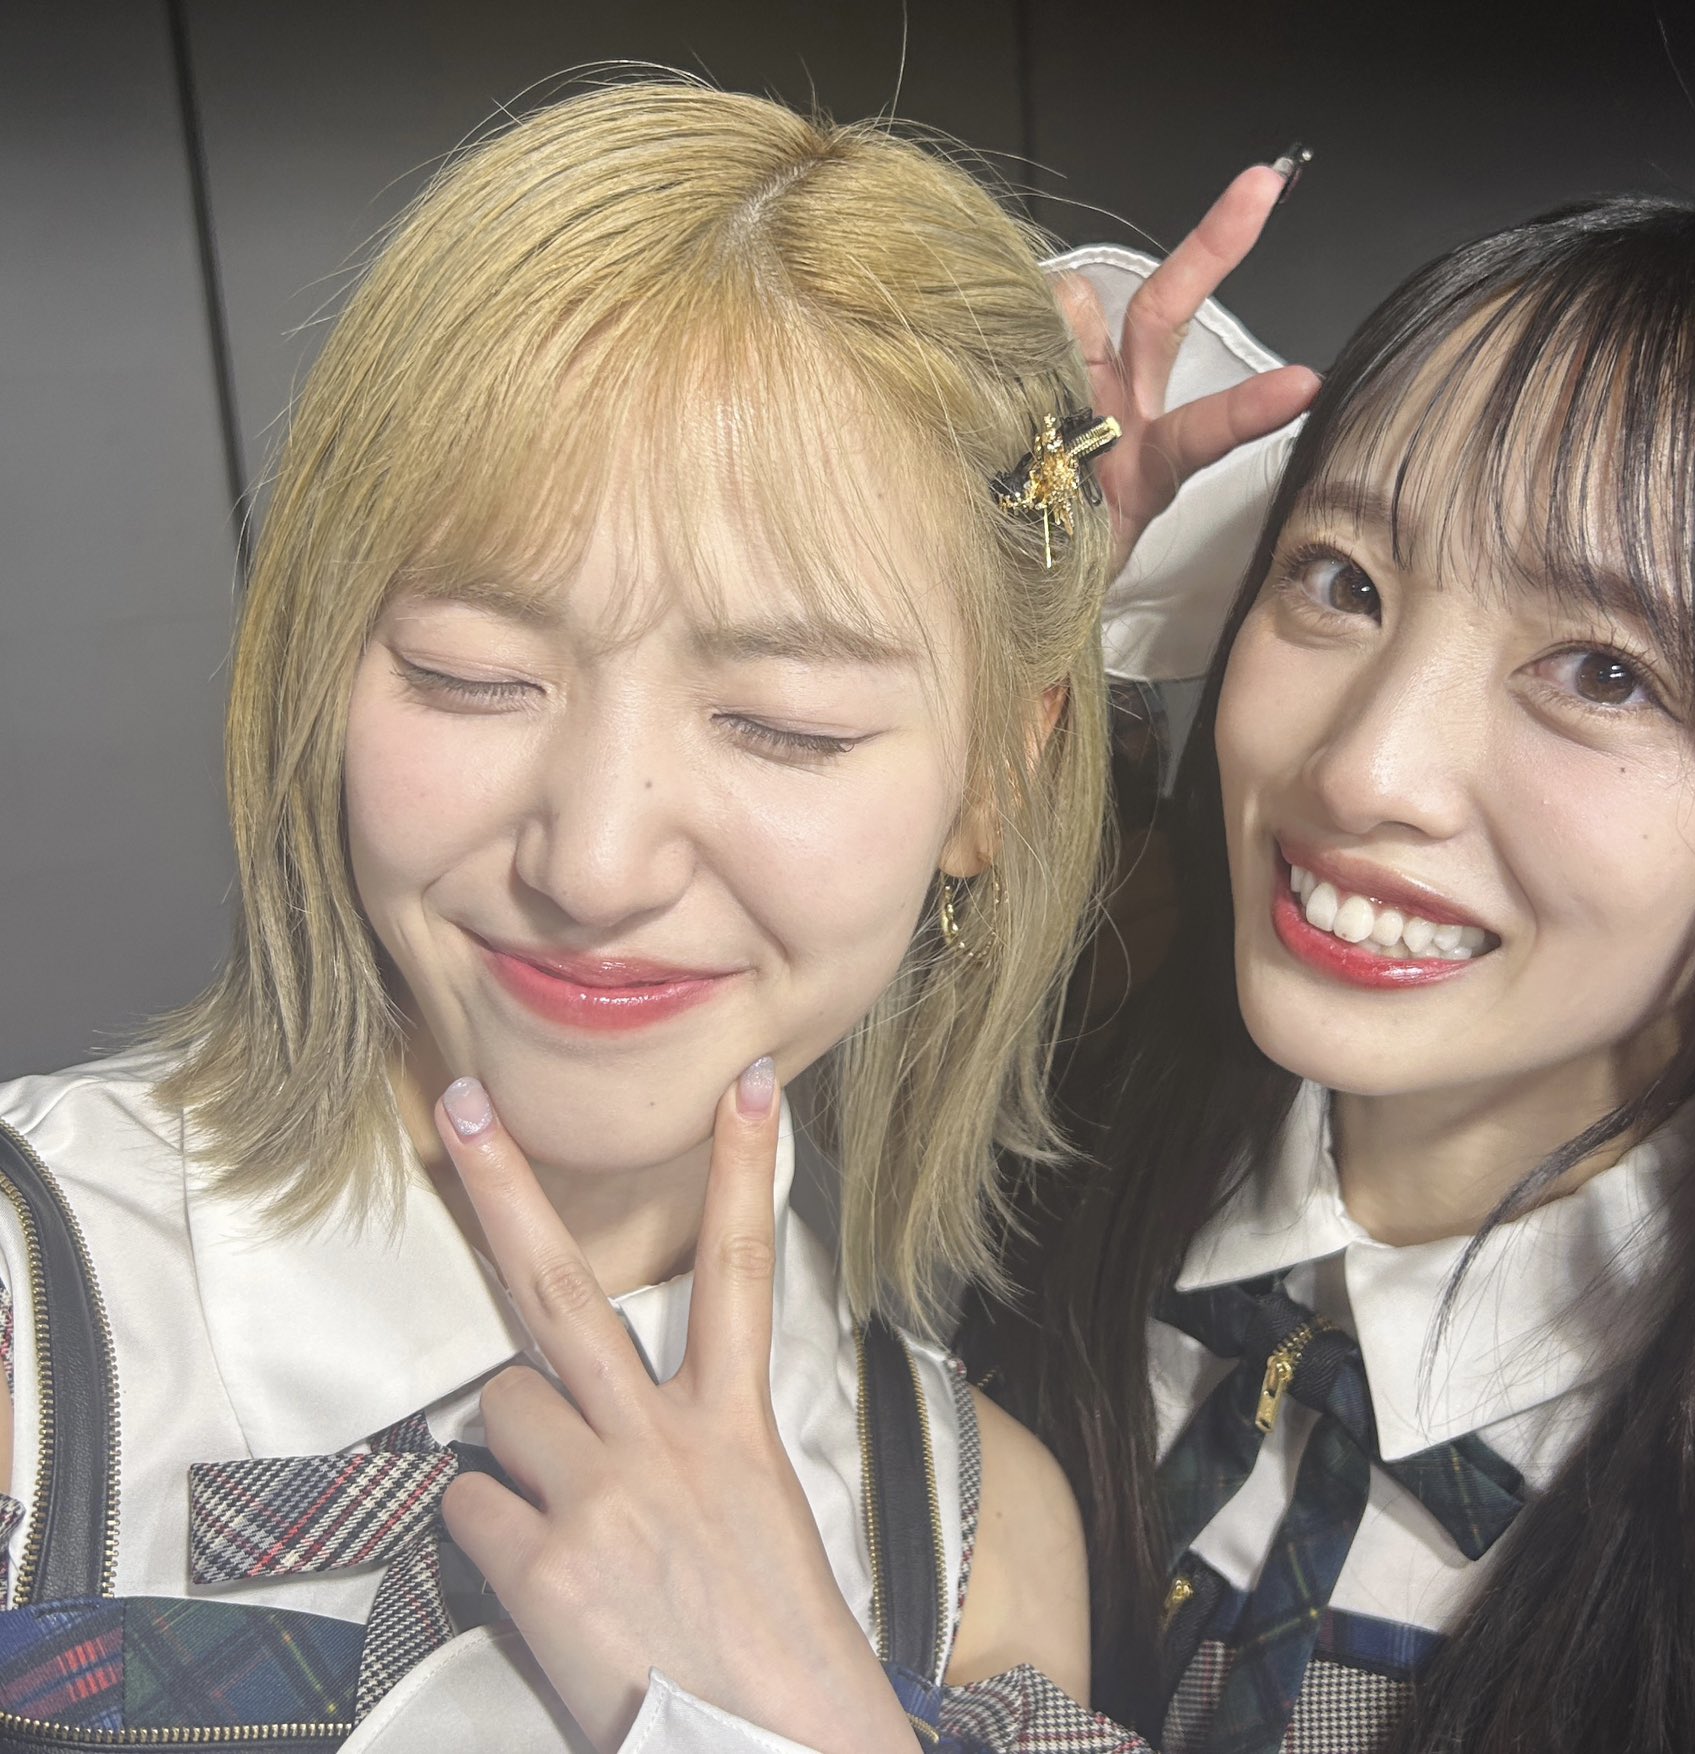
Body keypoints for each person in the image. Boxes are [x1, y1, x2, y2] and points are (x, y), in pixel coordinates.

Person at [0, 79, 1315, 1753]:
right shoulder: (32, 1328)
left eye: (785, 723)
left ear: (997, 774)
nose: (597, 860)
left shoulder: (979, 1543)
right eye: (470, 674)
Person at [961, 199, 1695, 1752]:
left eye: (1605, 671)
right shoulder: (1025, 1111)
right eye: (1340, 579)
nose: (1363, 768)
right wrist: (973, 642)